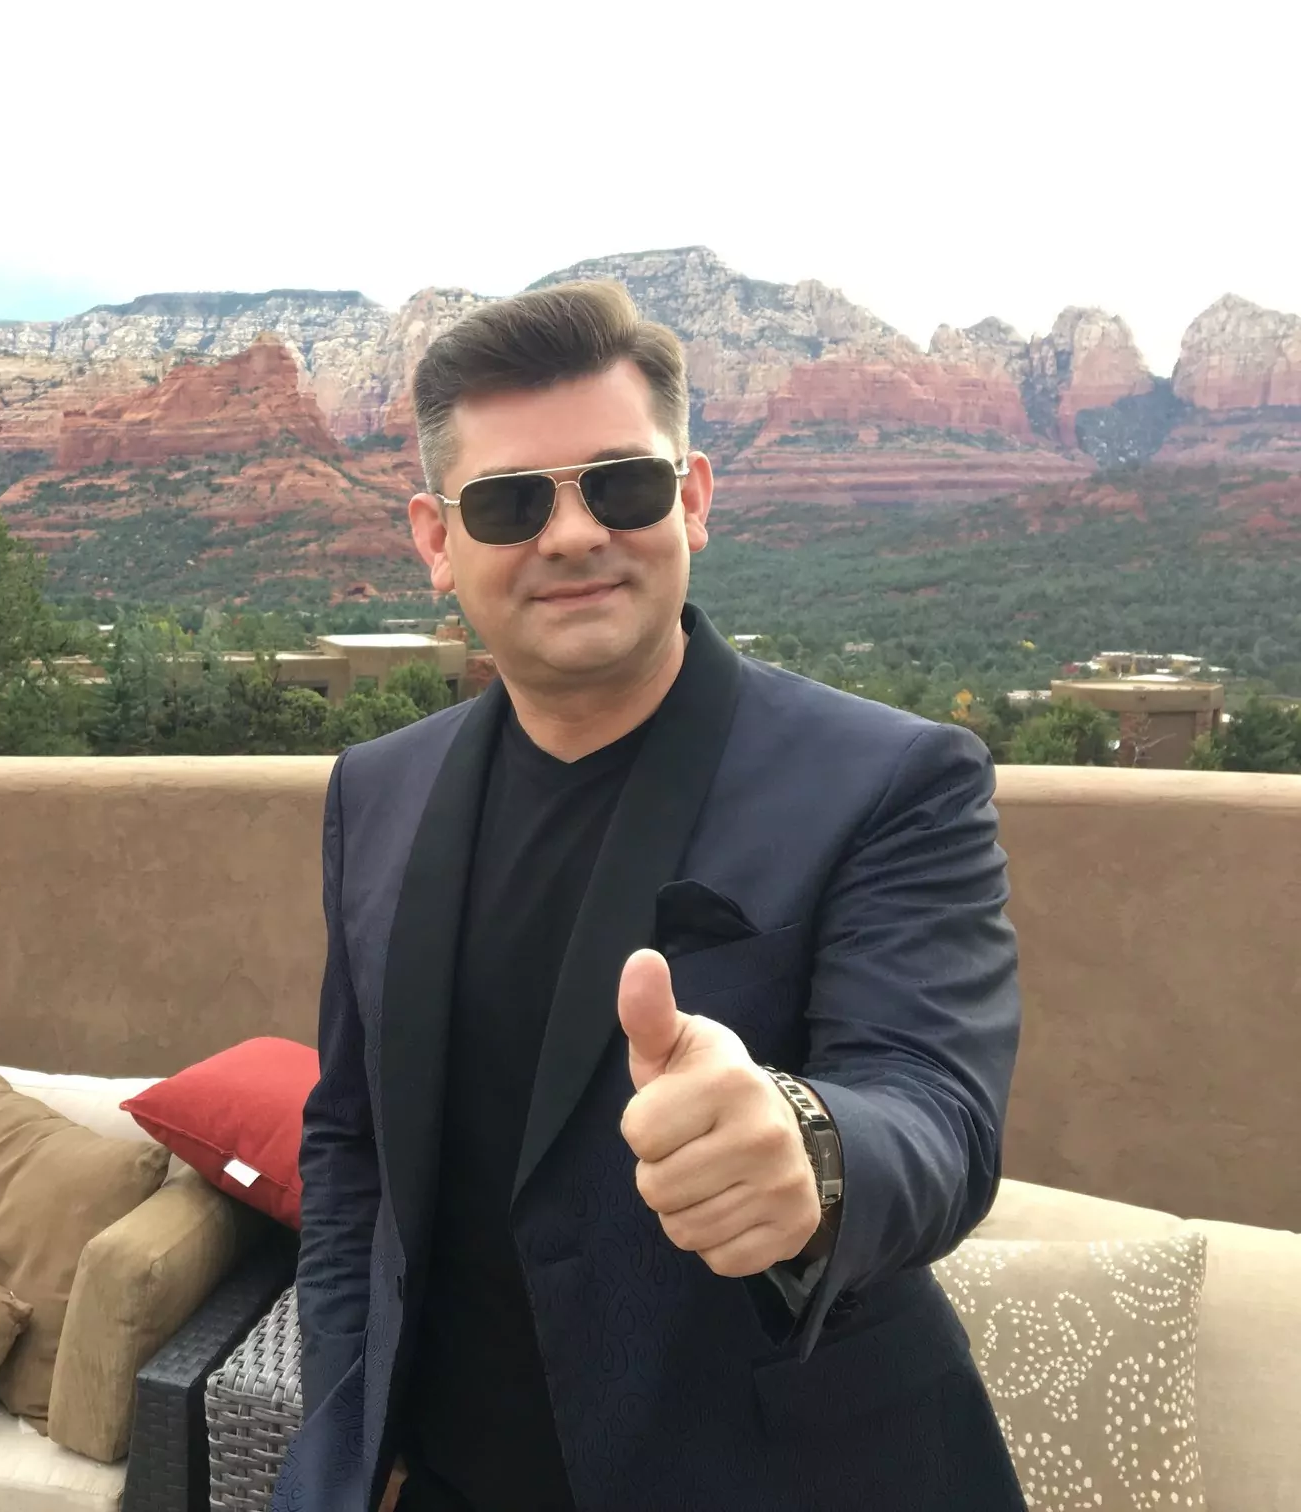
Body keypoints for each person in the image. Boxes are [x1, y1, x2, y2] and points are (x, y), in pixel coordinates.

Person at [271, 281, 1026, 1512]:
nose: (572, 535)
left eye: (620, 485)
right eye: (511, 503)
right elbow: (352, 1140)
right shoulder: (376, 792)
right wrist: (350, 1425)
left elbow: (938, 1108)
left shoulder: (893, 779)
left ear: (693, 499)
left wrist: (809, 1147)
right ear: (436, 542)